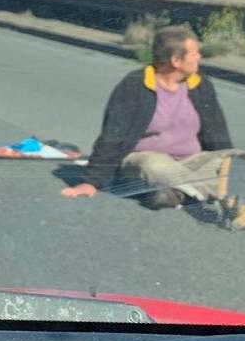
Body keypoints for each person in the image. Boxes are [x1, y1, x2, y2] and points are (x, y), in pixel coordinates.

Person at [61, 25, 235, 207]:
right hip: (145, 161)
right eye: (194, 53)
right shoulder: (134, 85)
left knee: (236, 162)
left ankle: (177, 194)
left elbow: (217, 132)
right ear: (176, 60)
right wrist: (91, 181)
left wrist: (229, 163)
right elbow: (113, 135)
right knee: (155, 166)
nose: (199, 57)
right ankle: (217, 194)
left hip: (191, 162)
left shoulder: (201, 85)